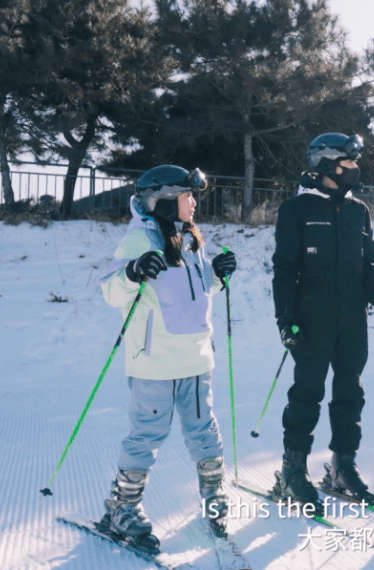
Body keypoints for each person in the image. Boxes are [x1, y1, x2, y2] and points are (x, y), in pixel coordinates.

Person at [99, 165, 238, 548]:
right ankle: (122, 506)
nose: (193, 203)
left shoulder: (190, 238)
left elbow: (195, 290)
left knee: (204, 431)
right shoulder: (137, 241)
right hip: (155, 360)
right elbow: (111, 292)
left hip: (195, 357)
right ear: (161, 201)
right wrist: (132, 271)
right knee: (147, 434)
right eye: (186, 196)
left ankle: (213, 496)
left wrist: (216, 273)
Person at [271, 133, 374, 515]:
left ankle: (342, 467)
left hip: (353, 320)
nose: (356, 169)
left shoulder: (359, 210)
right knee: (307, 393)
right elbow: (284, 269)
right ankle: (292, 471)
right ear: (326, 165)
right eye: (348, 162)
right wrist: (286, 319)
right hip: (311, 321)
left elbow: (368, 261)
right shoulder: (296, 209)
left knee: (349, 394)